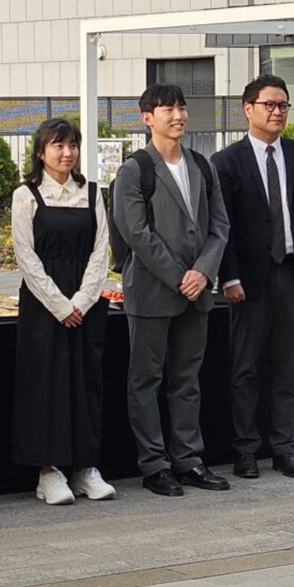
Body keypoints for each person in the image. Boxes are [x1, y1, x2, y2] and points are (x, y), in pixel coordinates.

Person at [213, 75, 294, 481]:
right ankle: (246, 450)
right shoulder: (226, 162)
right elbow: (222, 228)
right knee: (245, 369)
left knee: (287, 367)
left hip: (293, 275)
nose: (278, 112)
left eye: (283, 105)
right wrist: (227, 276)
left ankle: (285, 447)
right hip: (248, 279)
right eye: (270, 105)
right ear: (248, 109)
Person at [112, 85, 231, 497]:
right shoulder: (134, 169)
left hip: (197, 291)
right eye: (168, 108)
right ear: (147, 117)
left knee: (187, 380)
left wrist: (203, 273)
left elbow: (220, 226)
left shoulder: (201, 164)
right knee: (145, 379)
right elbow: (137, 234)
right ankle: (154, 463)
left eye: (181, 107)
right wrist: (180, 275)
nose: (178, 114)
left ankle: (189, 460)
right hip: (151, 292)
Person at [11, 118, 115, 506]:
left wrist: (83, 301)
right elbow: (25, 256)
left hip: (84, 304)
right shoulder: (26, 194)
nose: (67, 153)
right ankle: (49, 471)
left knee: (85, 383)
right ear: (41, 152)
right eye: (58, 146)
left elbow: (100, 250)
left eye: (72, 145)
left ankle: (86, 468)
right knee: (46, 384)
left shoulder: (90, 192)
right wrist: (59, 305)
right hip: (43, 305)